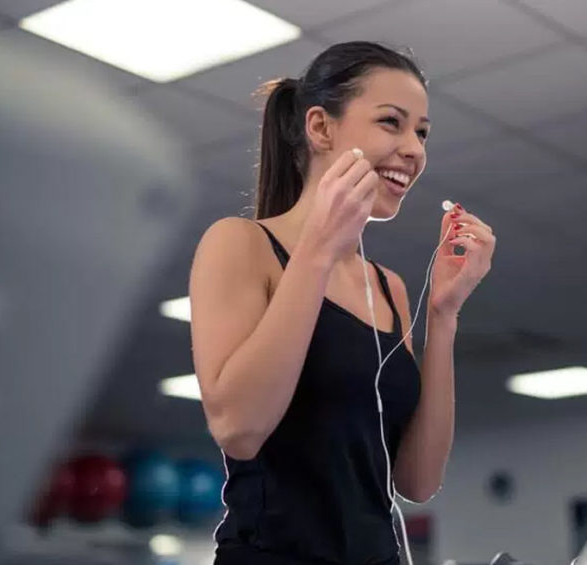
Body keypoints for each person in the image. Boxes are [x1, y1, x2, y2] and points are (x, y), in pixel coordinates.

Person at [188, 41, 496, 565]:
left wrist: (444, 314)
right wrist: (317, 251)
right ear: (320, 128)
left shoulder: (389, 288)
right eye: (391, 123)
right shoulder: (240, 245)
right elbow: (238, 428)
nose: (414, 148)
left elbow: (418, 482)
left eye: (421, 132)